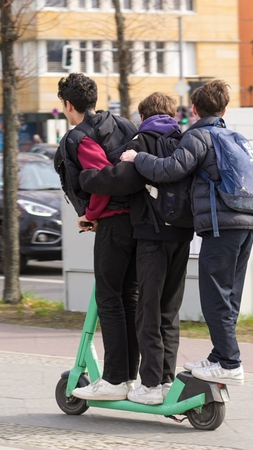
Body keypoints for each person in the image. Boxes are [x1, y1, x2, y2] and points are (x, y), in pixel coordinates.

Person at [120, 80, 253, 386]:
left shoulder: (199, 136)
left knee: (214, 296)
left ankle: (230, 362)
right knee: (229, 296)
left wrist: (137, 158)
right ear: (225, 109)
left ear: (194, 109)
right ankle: (219, 357)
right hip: (248, 222)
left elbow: (170, 169)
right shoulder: (234, 136)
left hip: (221, 226)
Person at [80, 92, 194, 405]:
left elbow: (121, 179)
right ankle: (167, 379)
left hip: (151, 235)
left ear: (143, 116)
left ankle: (150, 385)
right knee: (169, 310)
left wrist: (88, 177)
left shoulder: (142, 141)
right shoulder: (183, 140)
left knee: (147, 310)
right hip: (182, 235)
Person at [56, 73, 139, 401]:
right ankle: (130, 376)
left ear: (68, 104)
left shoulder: (80, 136)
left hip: (113, 224)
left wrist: (89, 216)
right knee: (128, 298)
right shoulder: (123, 124)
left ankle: (115, 378)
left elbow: (102, 178)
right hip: (139, 222)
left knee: (109, 298)